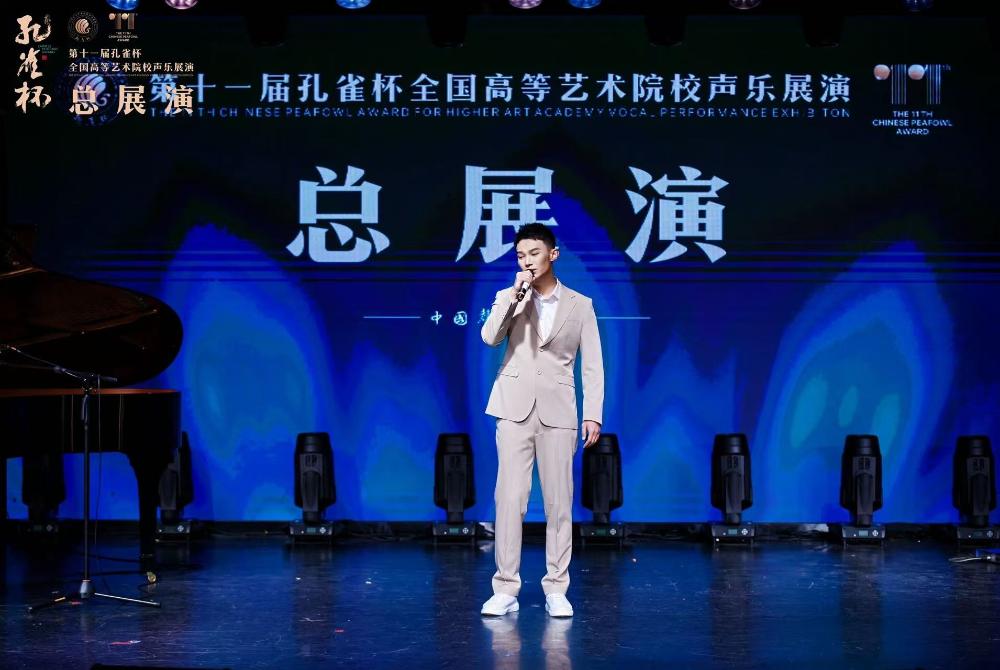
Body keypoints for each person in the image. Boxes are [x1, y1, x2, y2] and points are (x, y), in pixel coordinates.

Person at [479, 222, 605, 618]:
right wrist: (515, 296)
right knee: (509, 499)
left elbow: (593, 365)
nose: (527, 261)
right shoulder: (509, 296)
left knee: (558, 502)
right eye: (520, 255)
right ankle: (505, 587)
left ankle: (557, 587)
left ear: (553, 255)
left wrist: (593, 414)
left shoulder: (580, 305)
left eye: (534, 253)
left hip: (559, 411)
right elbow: (490, 337)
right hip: (513, 409)